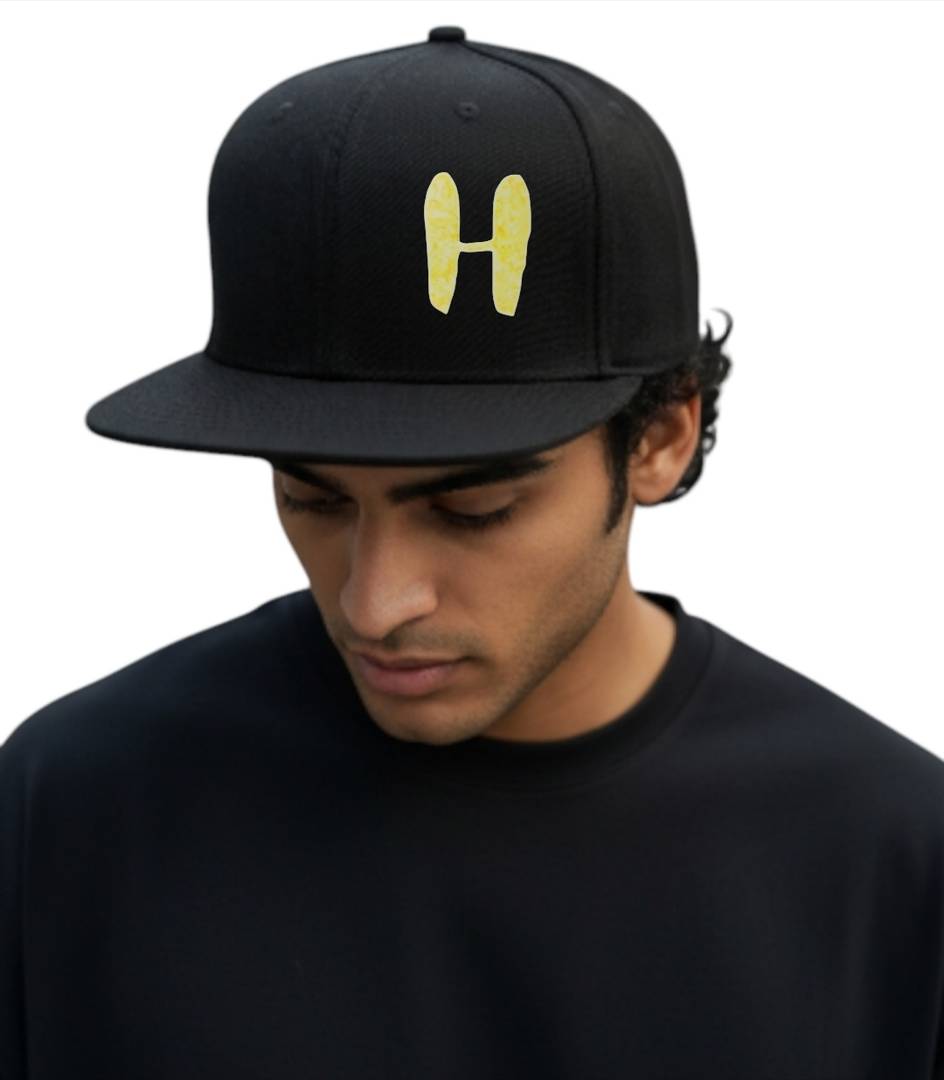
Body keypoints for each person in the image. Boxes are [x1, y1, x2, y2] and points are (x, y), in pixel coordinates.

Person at [2, 26, 943, 1080]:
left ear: (660, 439)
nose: (373, 603)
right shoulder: (74, 806)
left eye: (474, 508)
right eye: (312, 497)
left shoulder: (891, 860)